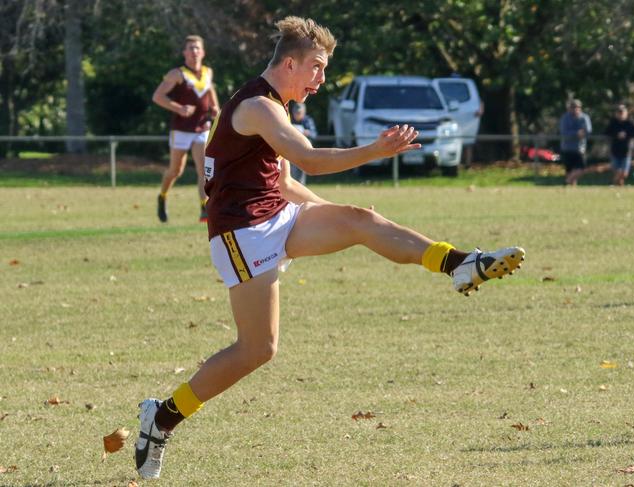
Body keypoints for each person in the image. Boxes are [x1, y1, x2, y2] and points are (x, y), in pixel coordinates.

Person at [135, 16, 525, 479]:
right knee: (257, 349)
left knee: (361, 220)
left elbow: (282, 182)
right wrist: (372, 152)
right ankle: (161, 418)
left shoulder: (275, 104)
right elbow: (309, 161)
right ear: (291, 63)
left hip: (276, 216)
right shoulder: (259, 106)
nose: (322, 78)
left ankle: (460, 263)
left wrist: (337, 211)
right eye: (317, 67)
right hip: (240, 234)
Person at [152, 34, 220, 223]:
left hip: (201, 127)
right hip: (181, 129)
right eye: (190, 48)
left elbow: (210, 91)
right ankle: (162, 196)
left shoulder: (208, 72)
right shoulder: (177, 74)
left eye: (197, 48)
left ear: (203, 52)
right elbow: (157, 96)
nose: (194, 51)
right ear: (184, 53)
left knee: (203, 170)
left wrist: (215, 108)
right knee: (175, 171)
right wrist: (178, 108)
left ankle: (204, 209)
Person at [604, 104, 634, 186]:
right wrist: (617, 134)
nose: (621, 114)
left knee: (624, 174)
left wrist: (626, 134)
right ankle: (619, 188)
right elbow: (606, 132)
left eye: (622, 112)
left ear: (626, 113)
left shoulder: (629, 123)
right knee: (617, 172)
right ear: (616, 114)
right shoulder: (613, 123)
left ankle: (611, 184)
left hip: (626, 152)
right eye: (619, 113)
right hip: (615, 151)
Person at [559, 99, 592, 186]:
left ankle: (567, 182)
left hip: (580, 148)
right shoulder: (565, 118)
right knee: (569, 171)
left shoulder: (584, 117)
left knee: (581, 169)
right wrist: (576, 133)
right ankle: (572, 189)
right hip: (567, 148)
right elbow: (564, 132)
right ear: (569, 108)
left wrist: (582, 133)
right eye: (573, 107)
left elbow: (588, 130)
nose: (575, 109)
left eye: (577, 107)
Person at [289, 102, 318, 183]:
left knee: (300, 174)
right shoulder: (289, 120)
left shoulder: (307, 121)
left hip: (303, 151)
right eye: (295, 112)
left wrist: (306, 132)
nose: (297, 114)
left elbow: (314, 135)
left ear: (304, 112)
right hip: (290, 150)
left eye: (299, 112)